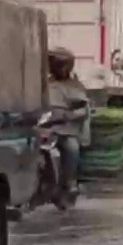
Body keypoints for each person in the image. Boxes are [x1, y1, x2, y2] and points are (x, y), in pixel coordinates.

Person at [46, 46, 91, 195]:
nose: (57, 67)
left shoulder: (75, 87)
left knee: (72, 148)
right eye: (54, 63)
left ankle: (70, 181)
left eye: (60, 64)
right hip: (44, 127)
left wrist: (69, 115)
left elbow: (83, 109)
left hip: (65, 130)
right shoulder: (44, 84)